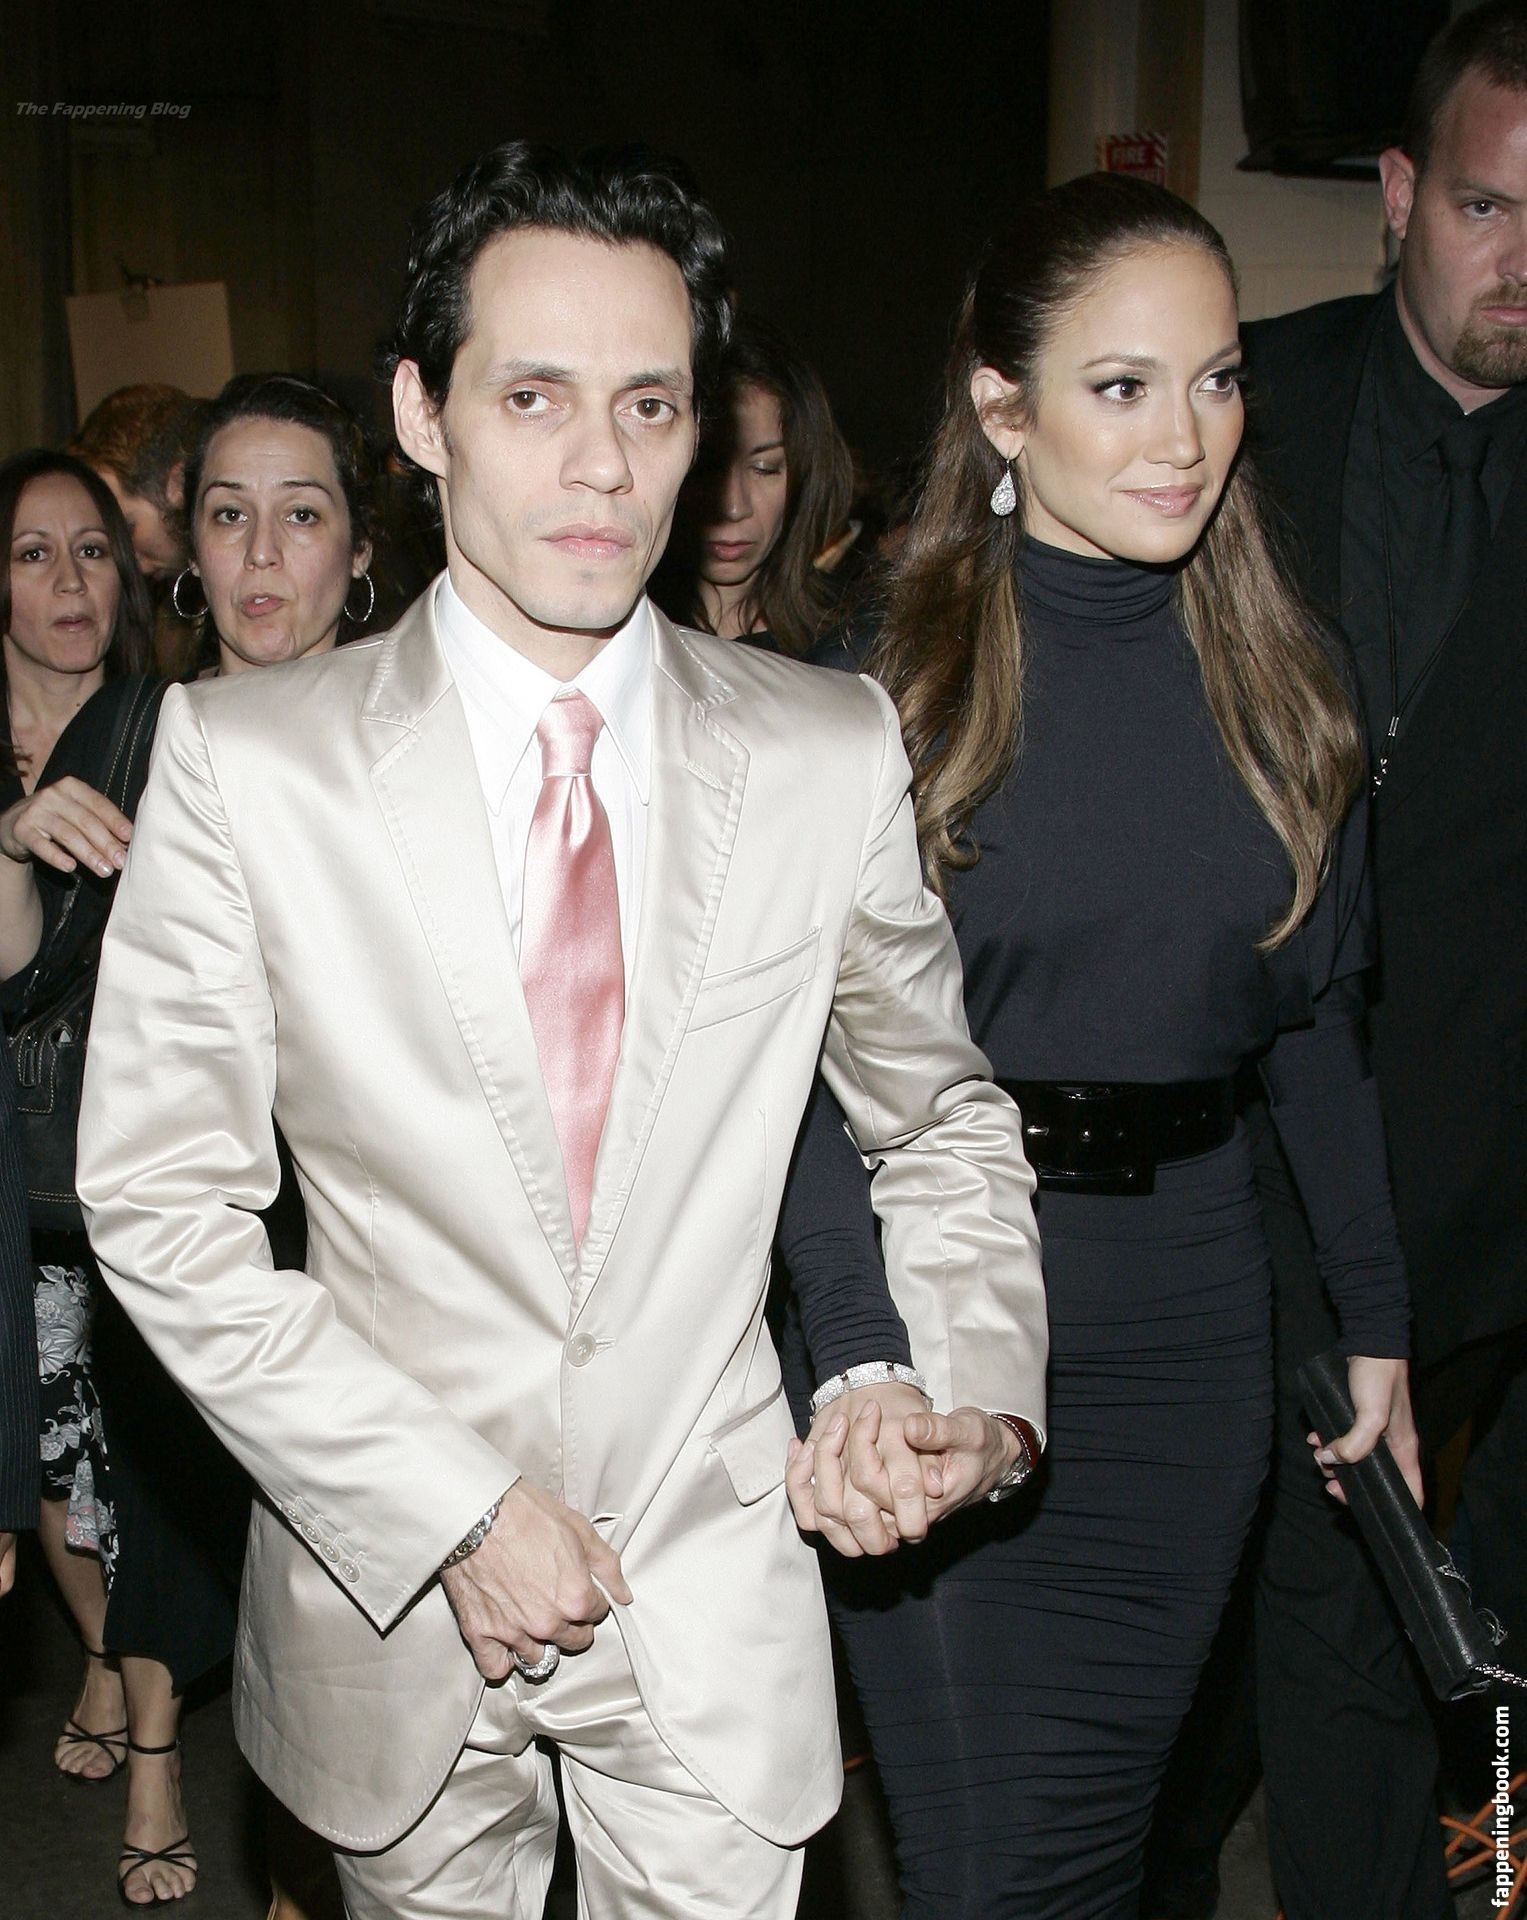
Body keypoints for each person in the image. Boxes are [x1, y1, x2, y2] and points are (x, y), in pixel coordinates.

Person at [75, 141, 1049, 1920]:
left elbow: (935, 1118)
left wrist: (974, 1390)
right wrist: (448, 1506)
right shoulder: (247, 765)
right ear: (422, 414)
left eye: (648, 404)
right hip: (389, 1592)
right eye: (533, 397)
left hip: (710, 1583)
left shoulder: (822, 752)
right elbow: (160, 1202)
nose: (602, 462)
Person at [775, 171, 1420, 1920]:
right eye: (1120, 387)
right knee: (997, 1873)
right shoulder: (877, 693)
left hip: (1188, 1328)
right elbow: (801, 1090)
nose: (1182, 438)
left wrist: (1373, 1320)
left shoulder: (1285, 681)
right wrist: (861, 1355)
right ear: (1003, 406)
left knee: (1100, 1854)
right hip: (943, 1302)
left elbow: (1314, 1026)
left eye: (1214, 381)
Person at [1147, 9, 1527, 1918]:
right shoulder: (1238, 411)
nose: (1518, 260)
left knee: (1372, 1627)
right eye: (1484, 206)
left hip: (1466, 1185)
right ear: (1395, 194)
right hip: (1204, 1147)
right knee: (1198, 1632)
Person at [0, 449, 206, 1906]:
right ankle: (93, 1651)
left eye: (91, 549)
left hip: (133, 1152)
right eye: (32, 553)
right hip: (11, 1167)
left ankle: (156, 1756)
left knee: (140, 1470)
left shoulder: (166, 727)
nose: (70, 581)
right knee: (49, 1464)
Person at [654, 312, 853, 654]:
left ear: (804, 476)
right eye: (705, 468)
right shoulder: (613, 637)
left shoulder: (845, 643)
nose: (734, 507)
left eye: (765, 468)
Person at [173, 372, 378, 679]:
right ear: (194, 551)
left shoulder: (425, 708)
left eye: (301, 515)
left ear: (358, 549)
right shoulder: (141, 710)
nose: (260, 552)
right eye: (231, 515)